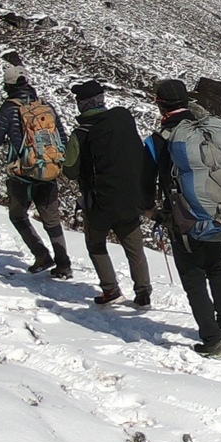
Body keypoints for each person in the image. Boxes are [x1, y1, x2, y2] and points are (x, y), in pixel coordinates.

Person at [151, 78, 221, 358]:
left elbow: (149, 178)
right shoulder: (207, 131)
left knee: (194, 277)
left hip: (186, 218)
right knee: (216, 267)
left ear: (160, 104)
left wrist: (154, 212)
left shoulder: (161, 139)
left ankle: (212, 340)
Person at [65, 79, 154, 308]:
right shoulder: (122, 125)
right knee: (134, 247)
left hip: (99, 204)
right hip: (129, 199)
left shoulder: (81, 134)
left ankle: (110, 290)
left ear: (82, 105)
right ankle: (143, 292)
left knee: (96, 244)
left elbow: (71, 171)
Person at [0, 54, 74, 279]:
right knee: (52, 220)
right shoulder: (46, 106)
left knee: (18, 215)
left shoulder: (8, 109)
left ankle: (41, 255)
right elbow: (62, 138)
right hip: (48, 169)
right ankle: (63, 263)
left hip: (21, 173)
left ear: (8, 87)